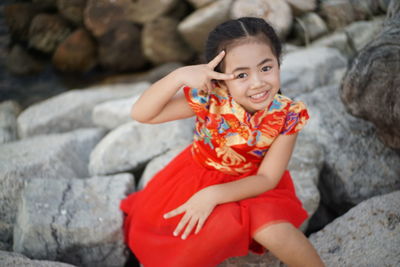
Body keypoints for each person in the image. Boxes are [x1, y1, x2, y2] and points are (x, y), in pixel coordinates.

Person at [120, 17, 325, 267]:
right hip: (197, 175)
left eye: (266, 68)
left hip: (253, 184)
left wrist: (214, 195)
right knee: (176, 242)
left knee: (270, 228)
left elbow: (267, 179)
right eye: (241, 74)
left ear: (278, 63)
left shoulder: (287, 115)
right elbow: (143, 114)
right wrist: (178, 76)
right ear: (220, 77)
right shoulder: (211, 98)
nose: (258, 82)